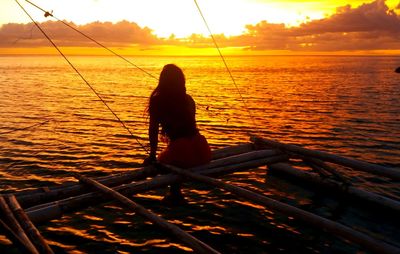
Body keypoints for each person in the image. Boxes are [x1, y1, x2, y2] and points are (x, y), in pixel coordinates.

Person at [144, 64, 211, 205]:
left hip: (181, 150)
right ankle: (176, 193)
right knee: (177, 155)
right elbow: (189, 127)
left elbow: (153, 130)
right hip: (202, 149)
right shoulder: (189, 100)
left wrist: (152, 155)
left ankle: (175, 193)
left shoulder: (158, 101)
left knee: (167, 161)